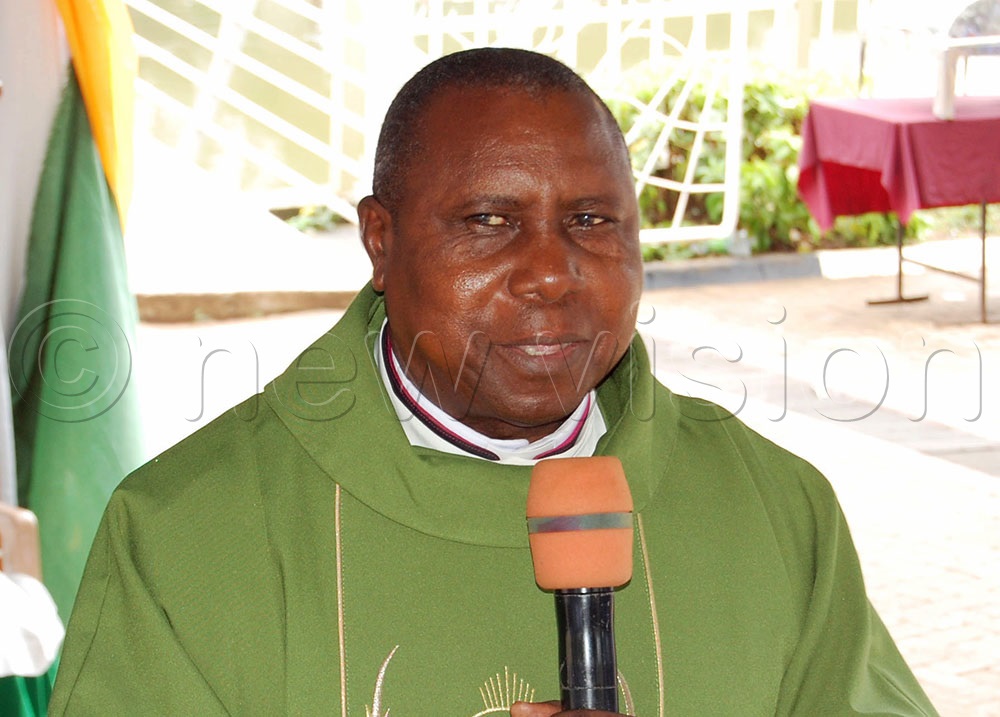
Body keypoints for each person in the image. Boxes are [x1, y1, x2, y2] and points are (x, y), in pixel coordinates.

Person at [48, 48, 938, 716]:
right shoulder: (186, 535)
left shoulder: (776, 510)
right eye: (488, 220)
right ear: (379, 243)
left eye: (591, 220)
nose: (551, 274)